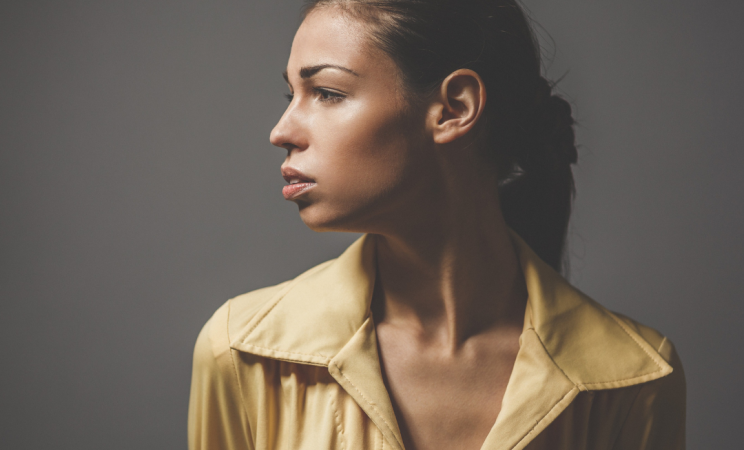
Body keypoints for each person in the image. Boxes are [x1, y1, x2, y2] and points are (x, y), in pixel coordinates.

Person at [188, 1, 686, 449]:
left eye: (327, 93)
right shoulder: (242, 353)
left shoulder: (634, 379)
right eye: (292, 94)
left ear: (454, 108)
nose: (282, 131)